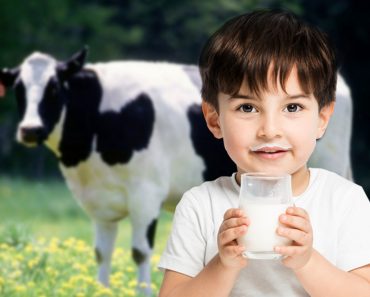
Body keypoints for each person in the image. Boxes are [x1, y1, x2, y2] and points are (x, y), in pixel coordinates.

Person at [158, 9, 370, 297]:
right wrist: (223, 264)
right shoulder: (200, 206)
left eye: (292, 108)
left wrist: (308, 262)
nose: (270, 130)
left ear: (322, 118)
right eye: (247, 108)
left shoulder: (344, 200)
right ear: (214, 119)